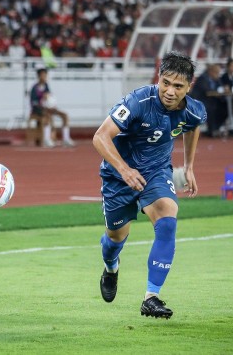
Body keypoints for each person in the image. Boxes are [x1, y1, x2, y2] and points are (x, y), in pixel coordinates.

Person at [93, 51, 206, 319]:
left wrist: (188, 165)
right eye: (165, 82)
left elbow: (193, 127)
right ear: (159, 78)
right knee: (115, 238)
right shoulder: (137, 101)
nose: (169, 90)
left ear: (189, 86)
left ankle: (151, 296)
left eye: (178, 86)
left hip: (156, 172)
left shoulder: (193, 109)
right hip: (118, 176)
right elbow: (100, 137)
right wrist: (124, 169)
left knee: (168, 218)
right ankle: (111, 268)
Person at [30, 67, 75, 147]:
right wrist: (42, 102)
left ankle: (66, 138)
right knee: (47, 116)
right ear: (39, 76)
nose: (44, 77)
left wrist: (52, 105)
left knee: (64, 115)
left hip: (49, 108)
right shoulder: (35, 88)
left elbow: (50, 99)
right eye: (43, 75)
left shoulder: (46, 86)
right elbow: (33, 102)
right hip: (38, 109)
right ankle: (47, 139)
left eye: (45, 75)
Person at [189, 63, 227, 137]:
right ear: (211, 71)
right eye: (216, 72)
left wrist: (224, 89)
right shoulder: (202, 78)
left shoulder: (216, 79)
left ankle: (216, 128)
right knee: (211, 108)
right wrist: (219, 91)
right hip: (199, 101)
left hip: (210, 101)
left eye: (218, 73)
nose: (218, 74)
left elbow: (221, 88)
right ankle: (211, 130)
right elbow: (207, 91)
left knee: (225, 108)